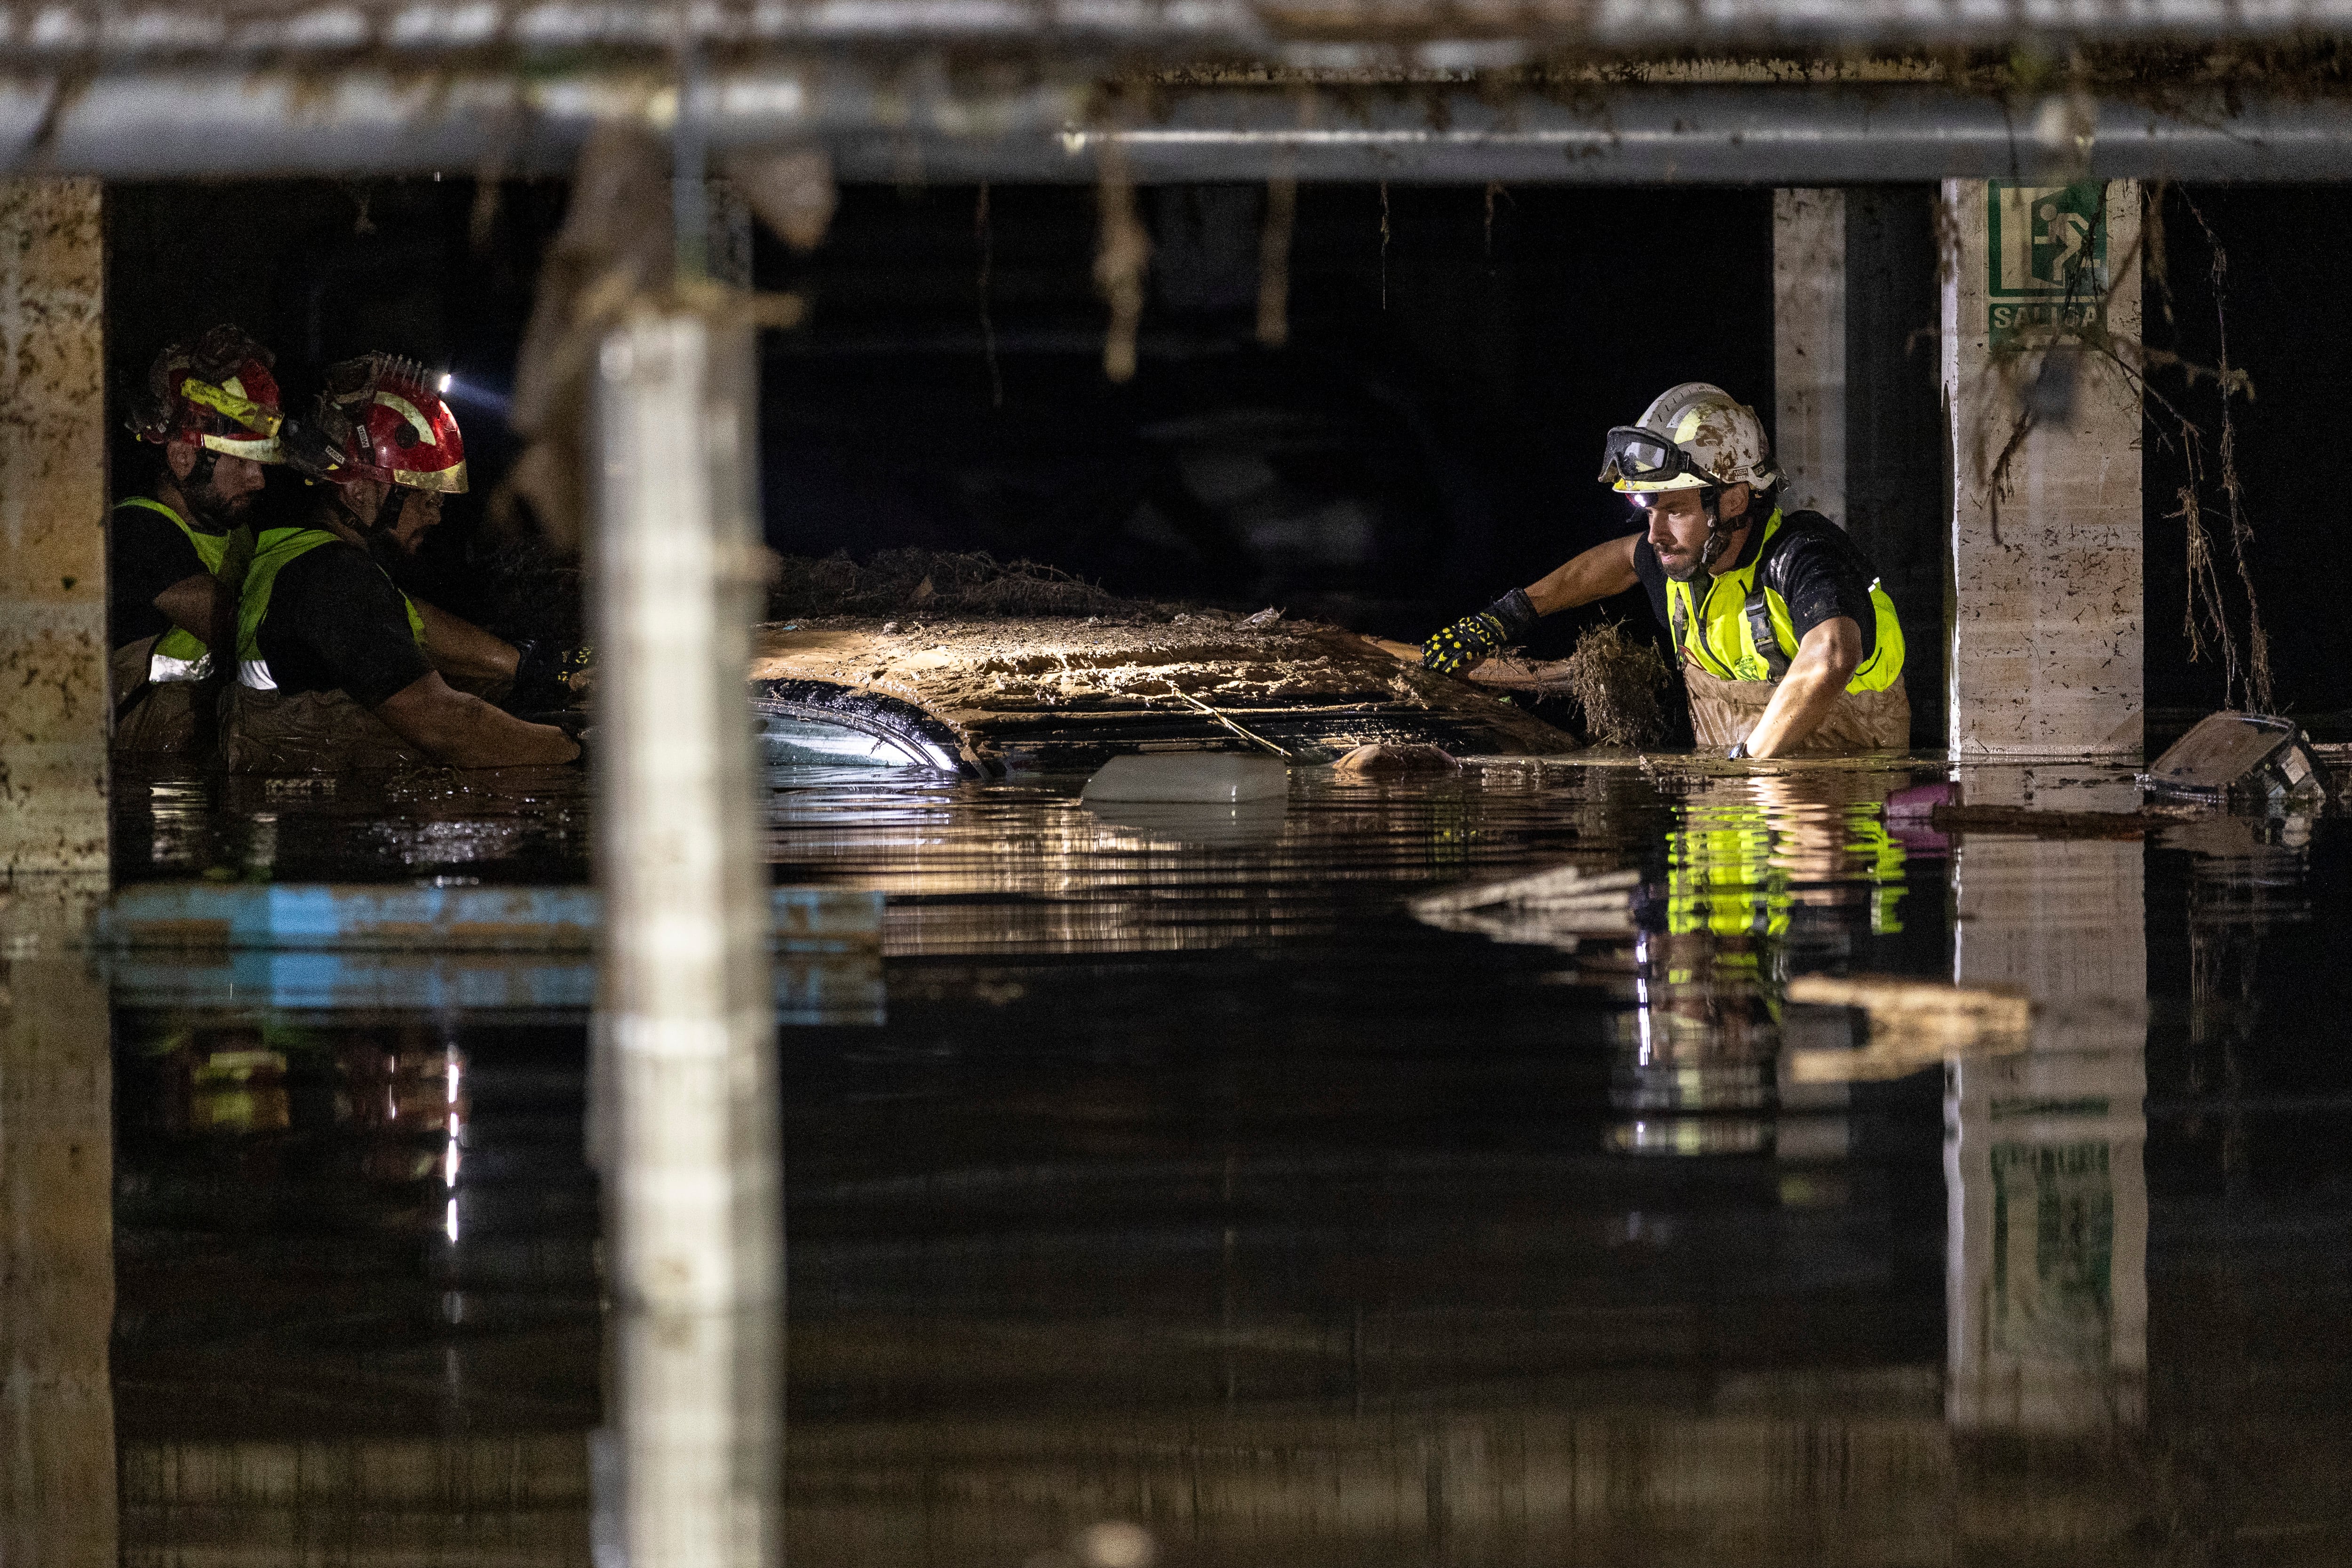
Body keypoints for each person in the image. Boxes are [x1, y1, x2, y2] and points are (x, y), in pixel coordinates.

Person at [1420, 383, 1907, 758]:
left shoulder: (1803, 556)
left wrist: (1747, 763)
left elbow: (1831, 657)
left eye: (1673, 510)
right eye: (1648, 510)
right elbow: (1614, 561)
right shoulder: (1682, 564)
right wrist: (1507, 616)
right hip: (1722, 837)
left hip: (1834, 823)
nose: (1654, 534)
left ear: (1734, 499)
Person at [225, 353, 586, 772]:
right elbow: (451, 728)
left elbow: (413, 622)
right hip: (315, 821)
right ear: (359, 490)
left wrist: (533, 667)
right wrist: (581, 749)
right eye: (423, 497)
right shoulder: (334, 579)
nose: (434, 516)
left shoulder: (302, 556)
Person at [112, 326, 288, 754]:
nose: (259, 479)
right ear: (184, 456)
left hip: (193, 763)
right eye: (245, 461)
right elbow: (242, 627)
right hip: (141, 781)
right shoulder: (136, 532)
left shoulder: (240, 535)